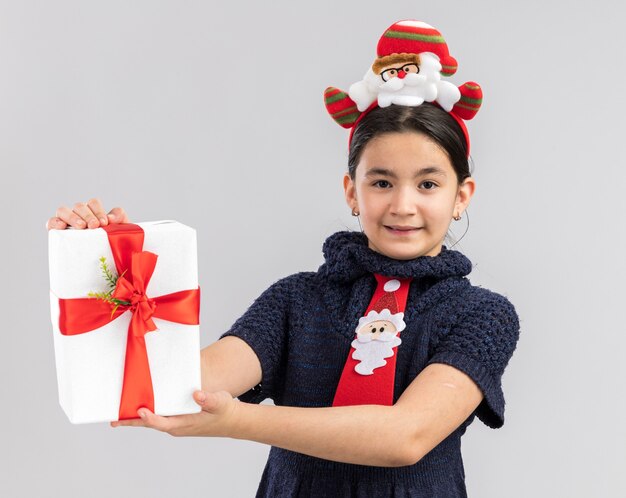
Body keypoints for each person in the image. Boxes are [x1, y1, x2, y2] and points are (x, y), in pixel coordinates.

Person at [47, 20, 521, 498]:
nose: (402, 205)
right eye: (381, 182)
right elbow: (181, 382)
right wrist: (102, 266)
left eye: (428, 184)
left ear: (461, 196)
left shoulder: (483, 315)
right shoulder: (297, 298)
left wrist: (241, 420)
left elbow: (406, 436)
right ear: (351, 191)